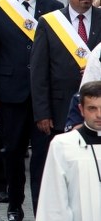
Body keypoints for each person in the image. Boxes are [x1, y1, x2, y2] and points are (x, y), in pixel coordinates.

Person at [0, 0, 64, 221]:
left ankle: (41, 208)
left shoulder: (53, 7)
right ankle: (14, 205)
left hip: (44, 96)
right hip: (10, 94)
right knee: (13, 153)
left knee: (42, 156)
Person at [30, 0, 101, 210]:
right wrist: (42, 112)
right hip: (58, 109)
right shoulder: (50, 22)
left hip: (96, 110)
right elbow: (39, 71)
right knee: (53, 167)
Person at [35, 80, 101, 221]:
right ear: (81, 109)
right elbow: (53, 202)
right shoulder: (63, 145)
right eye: (92, 108)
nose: (99, 115)